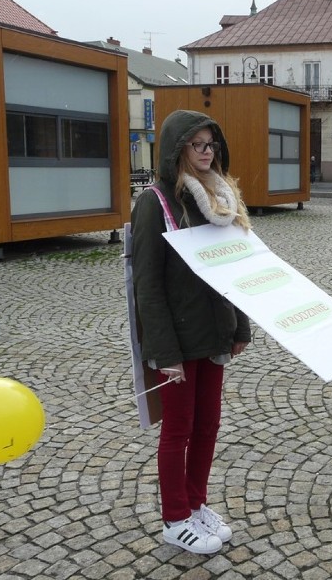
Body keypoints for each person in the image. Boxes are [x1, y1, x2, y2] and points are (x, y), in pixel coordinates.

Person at [131, 109, 252, 554]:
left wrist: (240, 326)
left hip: (213, 333)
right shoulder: (155, 202)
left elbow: (235, 267)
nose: (206, 152)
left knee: (208, 425)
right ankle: (175, 517)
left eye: (211, 144)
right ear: (177, 147)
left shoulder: (220, 200)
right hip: (177, 342)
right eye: (197, 144)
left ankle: (196, 502)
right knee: (178, 428)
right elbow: (148, 283)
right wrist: (164, 353)